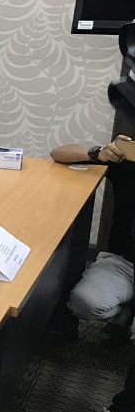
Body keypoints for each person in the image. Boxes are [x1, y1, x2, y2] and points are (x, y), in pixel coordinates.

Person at [50, 138, 135, 334]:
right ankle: (125, 320)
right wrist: (98, 152)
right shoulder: (129, 161)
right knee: (84, 302)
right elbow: (59, 153)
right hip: (123, 262)